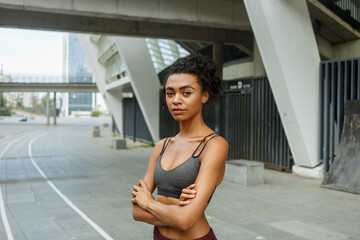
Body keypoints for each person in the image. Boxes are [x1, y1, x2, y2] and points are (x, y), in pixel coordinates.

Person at [131, 53, 229, 240]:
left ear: (204, 96)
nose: (176, 100)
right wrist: (175, 212)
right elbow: (137, 211)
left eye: (186, 93)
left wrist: (149, 203)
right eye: (170, 93)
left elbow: (186, 221)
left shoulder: (214, 145)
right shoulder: (162, 146)